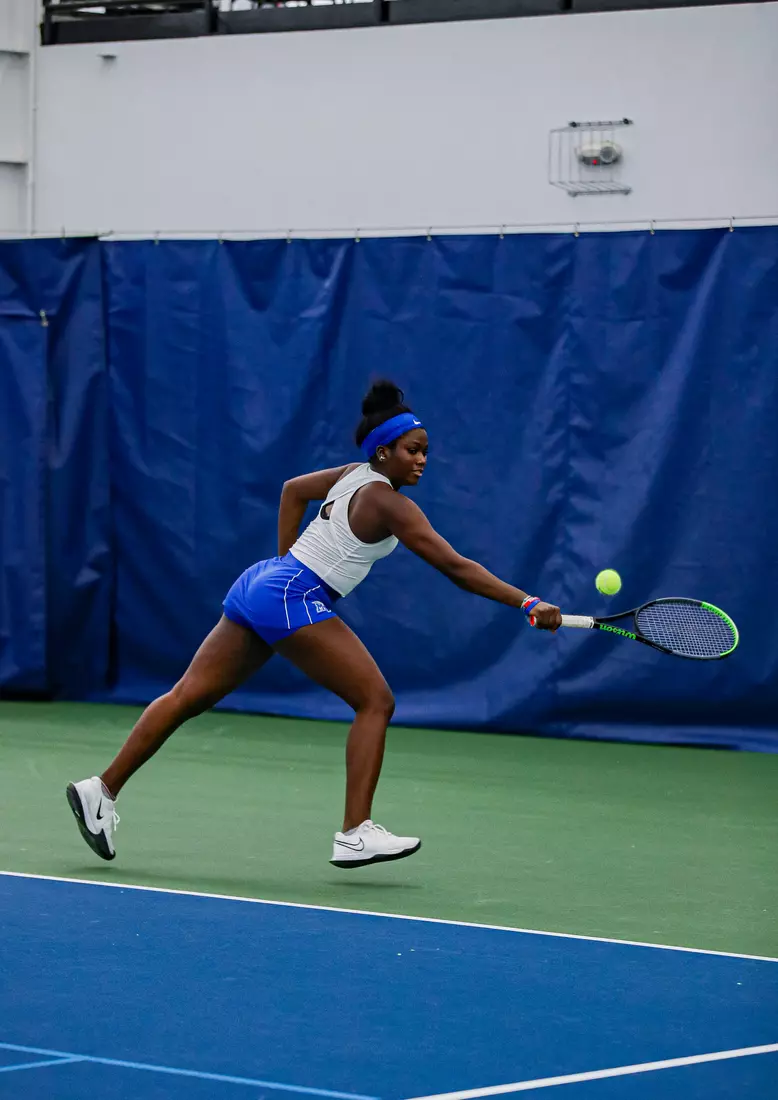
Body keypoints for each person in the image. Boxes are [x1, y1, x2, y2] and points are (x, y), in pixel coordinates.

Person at [67, 381, 561, 869]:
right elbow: (456, 567)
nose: (422, 460)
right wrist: (527, 602)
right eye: (412, 450)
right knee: (376, 700)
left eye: (426, 451)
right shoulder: (390, 503)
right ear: (383, 452)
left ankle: (101, 789)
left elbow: (292, 491)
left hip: (267, 583)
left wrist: (284, 561)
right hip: (292, 593)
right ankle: (355, 834)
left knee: (186, 697)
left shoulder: (350, 475)